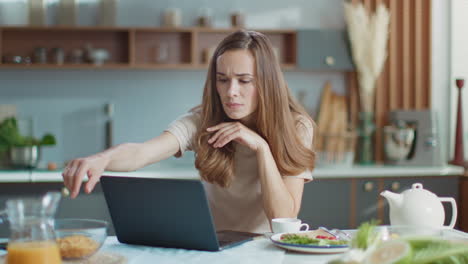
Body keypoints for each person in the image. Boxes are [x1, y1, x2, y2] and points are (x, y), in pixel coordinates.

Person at [62, 30, 316, 234]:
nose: (231, 92)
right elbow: (142, 153)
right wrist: (101, 159)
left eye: (244, 80)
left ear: (267, 81)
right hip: (213, 248)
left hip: (265, 251)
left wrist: (261, 147)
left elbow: (284, 219)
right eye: (222, 79)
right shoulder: (202, 122)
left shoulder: (296, 127)